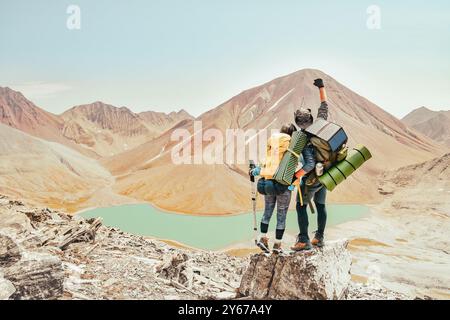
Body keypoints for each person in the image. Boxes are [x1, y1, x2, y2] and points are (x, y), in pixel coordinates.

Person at [291, 78, 329, 251]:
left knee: (300, 207)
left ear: (298, 123)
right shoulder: (320, 125)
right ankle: (319, 238)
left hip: (311, 179)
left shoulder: (303, 138)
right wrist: (321, 87)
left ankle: (304, 240)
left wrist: (296, 176)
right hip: (326, 174)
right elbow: (324, 106)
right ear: (311, 119)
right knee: (321, 206)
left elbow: (309, 164)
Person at [250, 123, 297, 254]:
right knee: (281, 215)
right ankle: (277, 245)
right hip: (282, 185)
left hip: (267, 182)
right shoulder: (291, 145)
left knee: (267, 212)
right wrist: (293, 184)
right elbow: (294, 165)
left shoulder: (271, 143)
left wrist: (256, 171)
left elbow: (265, 163)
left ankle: (263, 239)